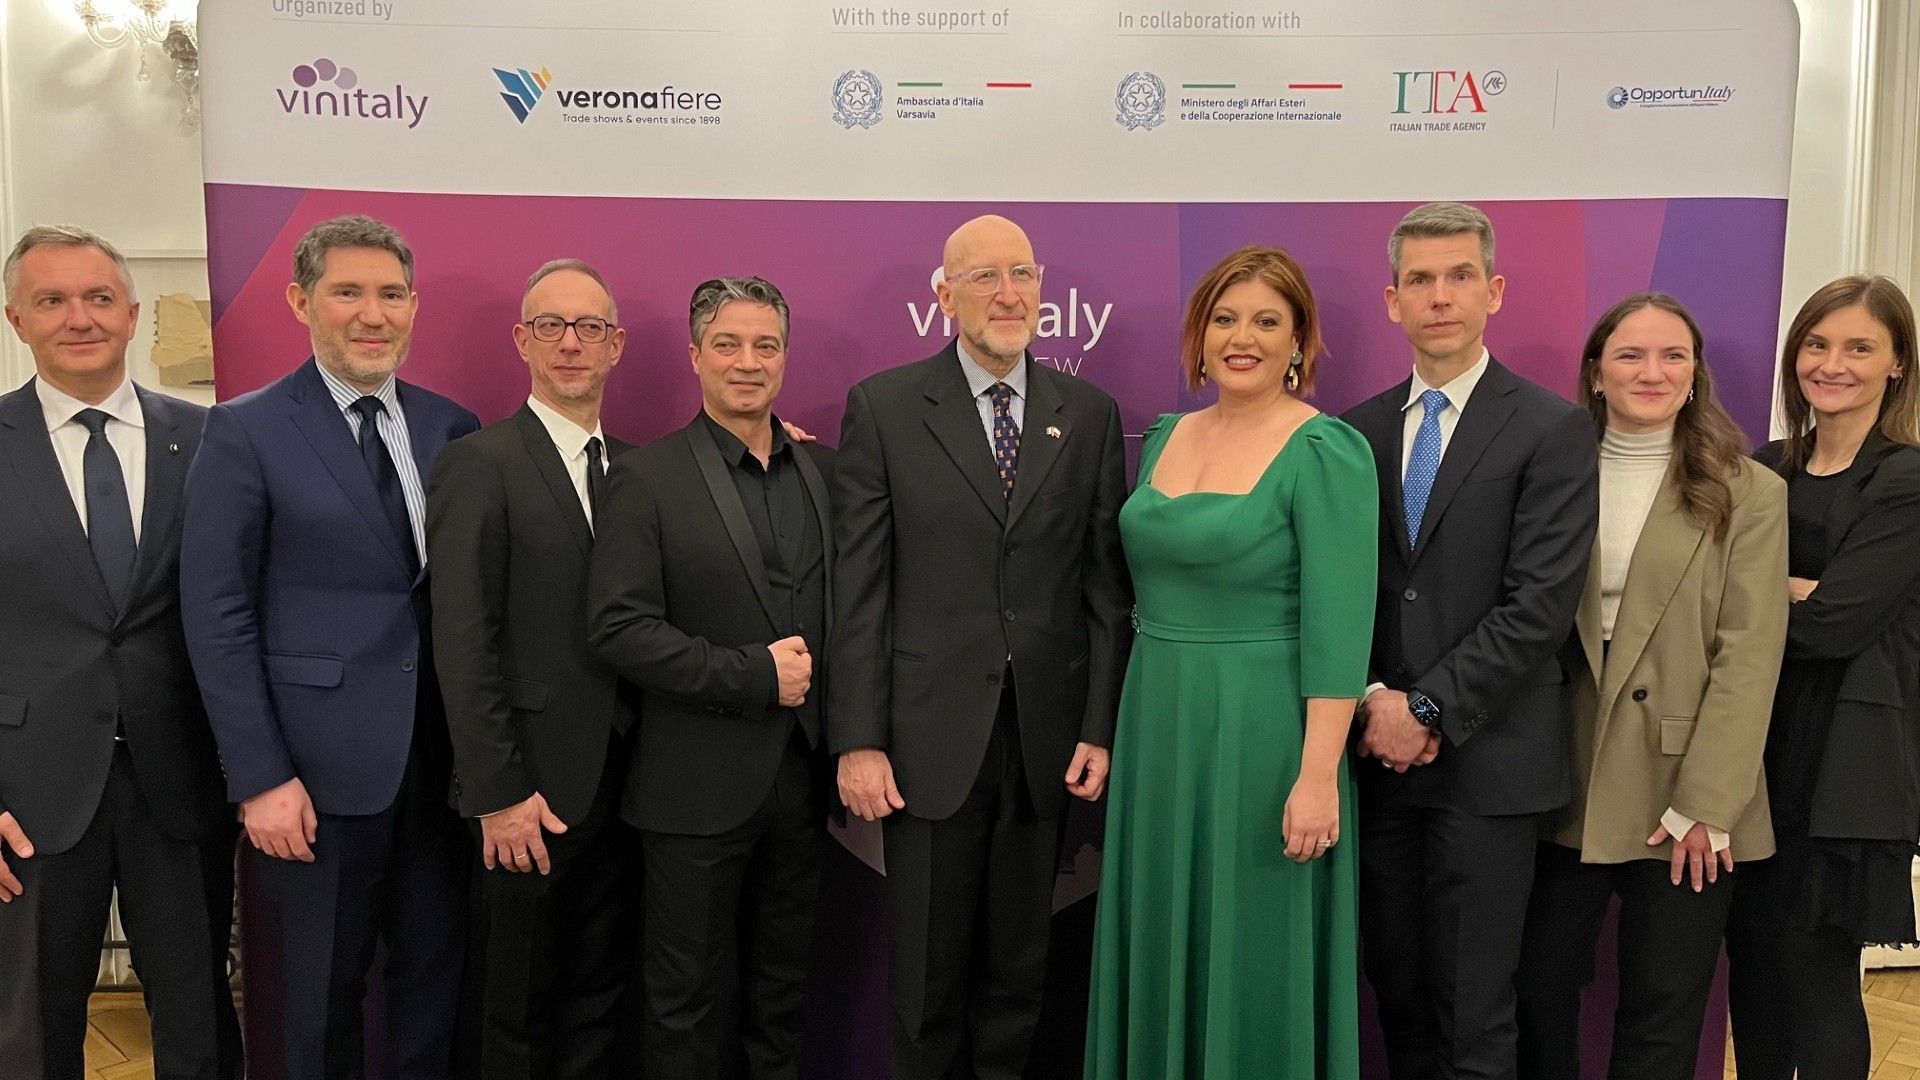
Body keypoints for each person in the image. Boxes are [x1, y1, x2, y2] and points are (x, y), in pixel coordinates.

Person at [829, 214, 1132, 1080]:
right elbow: (860, 589)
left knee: (1018, 979)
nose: (1008, 294)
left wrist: (1099, 726)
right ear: (944, 295)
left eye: (1022, 275)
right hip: (926, 745)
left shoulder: (1090, 415)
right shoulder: (884, 408)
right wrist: (859, 738)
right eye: (985, 276)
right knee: (925, 986)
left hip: (1044, 744)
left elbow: (1106, 589)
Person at [181, 215, 480, 1080]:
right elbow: (217, 613)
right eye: (348, 292)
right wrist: (260, 777)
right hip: (312, 782)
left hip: (443, 773)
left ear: (413, 306)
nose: (372, 314)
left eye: (391, 294)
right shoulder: (245, 430)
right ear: (300, 300)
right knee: (317, 1004)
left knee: (436, 993)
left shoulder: (451, 427)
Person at [1083, 245, 1378, 1078]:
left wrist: (1317, 778)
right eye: (1224, 318)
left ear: (1299, 343)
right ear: (1200, 336)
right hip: (1158, 725)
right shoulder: (1165, 437)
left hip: (1265, 737)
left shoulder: (1326, 451)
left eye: (1266, 321)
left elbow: (1339, 632)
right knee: (1162, 926)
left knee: (1253, 942)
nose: (1242, 338)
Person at [1341, 201, 1599, 1080]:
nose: (1440, 296)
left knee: (1475, 1016)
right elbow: (1340, 592)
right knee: (1400, 999)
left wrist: (1426, 708)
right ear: (1393, 301)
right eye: (1420, 279)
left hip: (1490, 767)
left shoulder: (1551, 427)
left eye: (1460, 276)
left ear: (1494, 291)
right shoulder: (1356, 431)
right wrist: (1376, 700)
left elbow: (1539, 605)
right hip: (1377, 764)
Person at [1513, 293, 1788, 1079]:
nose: (1652, 371)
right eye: (1630, 355)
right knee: (1537, 990)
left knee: (1664, 1012)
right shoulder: (1548, 474)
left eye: (1673, 356)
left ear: (1695, 374)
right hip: (1563, 777)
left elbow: (1749, 654)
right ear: (1596, 373)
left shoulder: (1749, 492)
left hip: (1689, 793)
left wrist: (1709, 802)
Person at [0, 225, 240, 1080]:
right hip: (27, 797)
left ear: (132, 314)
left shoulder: (212, 439)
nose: (80, 318)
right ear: (16, 319)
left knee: (199, 1025)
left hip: (183, 783)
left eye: (100, 298)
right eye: (52, 300)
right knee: (30, 1037)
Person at [588, 276, 833, 1079]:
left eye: (766, 345)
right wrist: (751, 676)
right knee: (684, 1004)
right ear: (695, 357)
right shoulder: (646, 478)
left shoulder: (825, 472)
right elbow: (619, 629)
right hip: (691, 792)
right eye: (727, 344)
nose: (747, 362)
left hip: (803, 785)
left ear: (785, 358)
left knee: (783, 997)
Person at [427, 259, 638, 1080]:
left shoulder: (640, 470)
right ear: (523, 340)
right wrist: (496, 793)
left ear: (616, 345)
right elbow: (462, 639)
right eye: (551, 326)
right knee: (513, 1008)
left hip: (628, 790)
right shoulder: (480, 463)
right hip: (527, 794)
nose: (571, 343)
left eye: (590, 327)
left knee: (598, 999)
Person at [1727, 274, 1920, 1080]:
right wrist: (1798, 590)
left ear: (1897, 364)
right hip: (1751, 749)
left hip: (1843, 757)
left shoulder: (1905, 478)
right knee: (1752, 970)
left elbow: (1836, 623)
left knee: (1816, 975)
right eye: (1816, 343)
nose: (1831, 363)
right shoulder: (1765, 467)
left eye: (1859, 347)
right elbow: (1717, 598)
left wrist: (1772, 595)